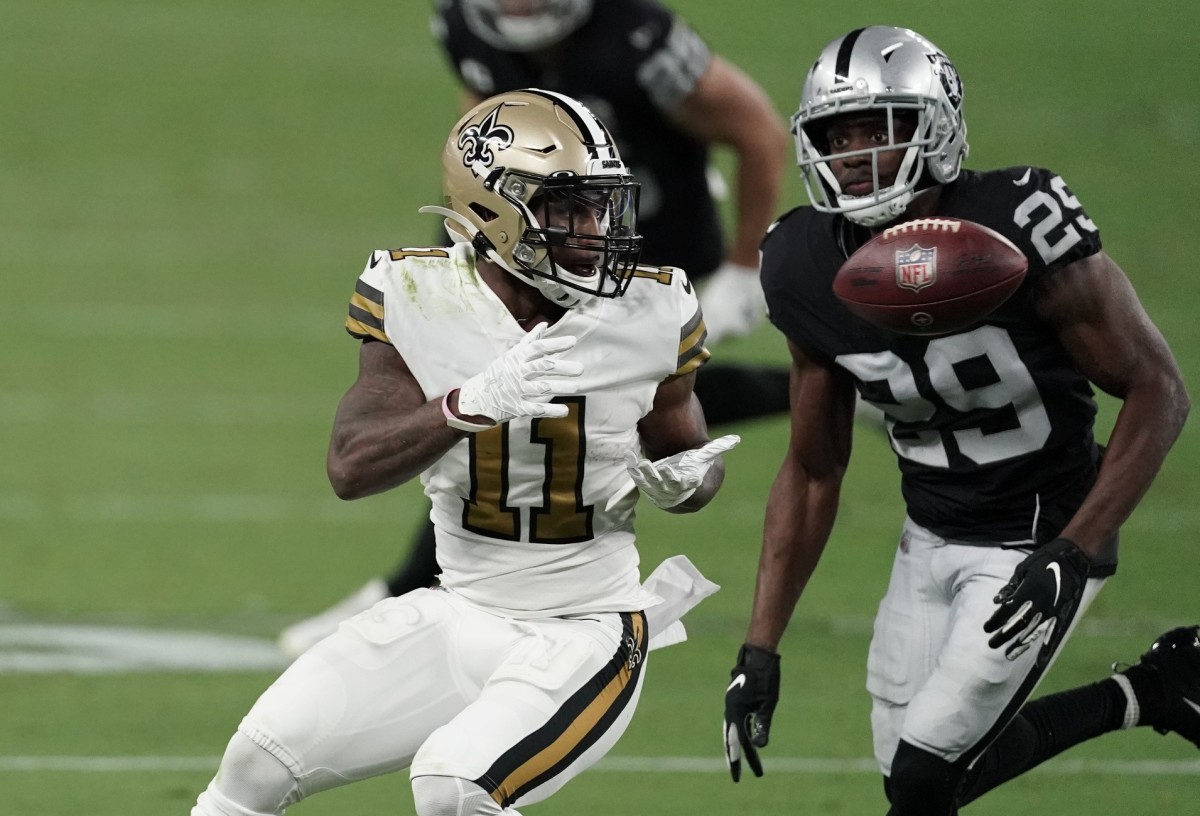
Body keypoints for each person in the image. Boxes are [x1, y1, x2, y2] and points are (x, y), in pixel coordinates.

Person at [193, 89, 736, 816]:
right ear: (493, 210)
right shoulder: (415, 292)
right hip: (463, 609)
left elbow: (689, 455)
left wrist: (686, 481)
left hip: (588, 626)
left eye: (601, 206)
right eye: (567, 208)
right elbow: (351, 467)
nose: (593, 230)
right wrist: (464, 405)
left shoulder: (653, 309)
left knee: (454, 786)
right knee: (254, 765)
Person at [719, 26, 1196, 816]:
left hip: (1039, 533)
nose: (857, 155)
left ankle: (1151, 690)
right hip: (929, 534)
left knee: (922, 781)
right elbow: (812, 469)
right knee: (922, 781)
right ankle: (1161, 687)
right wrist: (758, 646)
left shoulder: (1020, 221)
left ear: (936, 127)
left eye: (881, 128)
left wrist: (1073, 551)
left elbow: (1158, 391)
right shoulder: (800, 264)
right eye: (839, 136)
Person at [277, 0, 790, 657]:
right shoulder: (462, 23)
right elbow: (481, 118)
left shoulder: (635, 37)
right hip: (523, 222)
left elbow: (758, 133)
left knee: (593, 398)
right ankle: (408, 588)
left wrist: (745, 266)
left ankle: (405, 591)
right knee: (511, 398)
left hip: (635, 236)